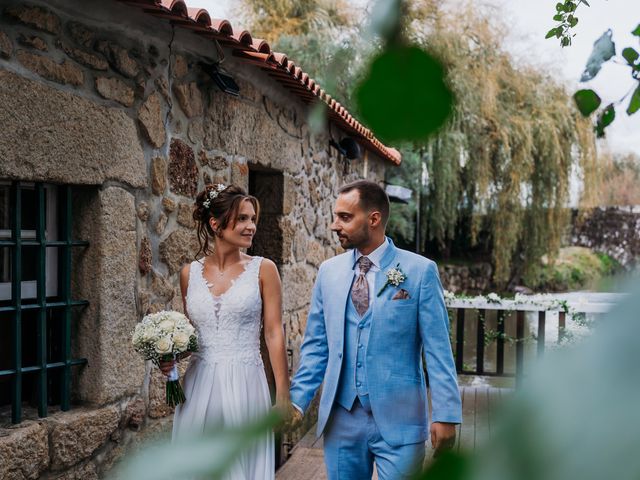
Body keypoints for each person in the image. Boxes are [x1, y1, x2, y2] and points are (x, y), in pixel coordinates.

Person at [290, 180, 462, 479]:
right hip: (341, 419)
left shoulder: (420, 271)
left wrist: (446, 414)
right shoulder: (328, 273)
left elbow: (438, 349)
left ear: (374, 219)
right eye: (335, 216)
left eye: (345, 217)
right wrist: (297, 401)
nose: (334, 225)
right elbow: (317, 346)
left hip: (401, 417)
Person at [160, 184, 289, 480]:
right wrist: (170, 361)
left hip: (245, 382)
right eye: (242, 218)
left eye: (253, 218)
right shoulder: (188, 274)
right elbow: (192, 336)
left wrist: (282, 392)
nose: (251, 226)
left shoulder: (264, 269)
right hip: (198, 384)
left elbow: (273, 333)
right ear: (215, 224)